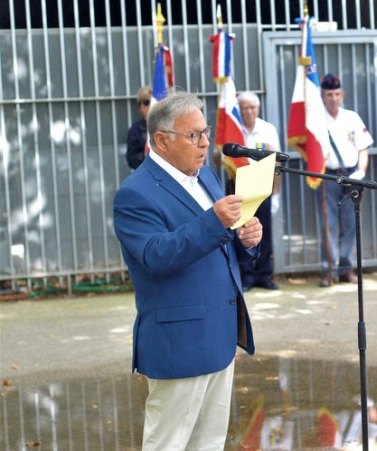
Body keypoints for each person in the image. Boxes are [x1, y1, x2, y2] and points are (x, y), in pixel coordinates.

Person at [113, 91, 262, 450]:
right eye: (193, 135)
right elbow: (156, 256)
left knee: (208, 442)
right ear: (162, 140)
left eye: (205, 131)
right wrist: (214, 222)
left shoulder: (206, 176)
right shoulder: (135, 193)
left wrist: (246, 240)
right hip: (179, 342)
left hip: (219, 334)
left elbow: (220, 248)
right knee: (167, 443)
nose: (205, 142)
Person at [317, 73, 373, 288]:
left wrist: (361, 171)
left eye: (336, 94)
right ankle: (328, 270)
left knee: (351, 223)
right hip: (327, 176)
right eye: (329, 94)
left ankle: (346, 268)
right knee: (328, 224)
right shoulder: (316, 119)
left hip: (351, 176)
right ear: (323, 95)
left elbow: (363, 148)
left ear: (343, 95)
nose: (333, 98)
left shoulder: (352, 117)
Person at [238, 91, 281, 291]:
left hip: (263, 186)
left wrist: (276, 194)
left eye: (252, 107)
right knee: (242, 232)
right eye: (245, 107)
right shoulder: (234, 128)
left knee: (264, 232)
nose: (248, 111)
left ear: (258, 108)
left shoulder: (267, 129)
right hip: (239, 187)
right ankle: (247, 276)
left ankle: (264, 275)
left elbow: (277, 163)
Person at [126, 85, 152, 170]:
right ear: (139, 107)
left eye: (154, 102)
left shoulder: (169, 126)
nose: (151, 106)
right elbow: (131, 160)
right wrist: (145, 154)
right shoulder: (136, 129)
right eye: (146, 102)